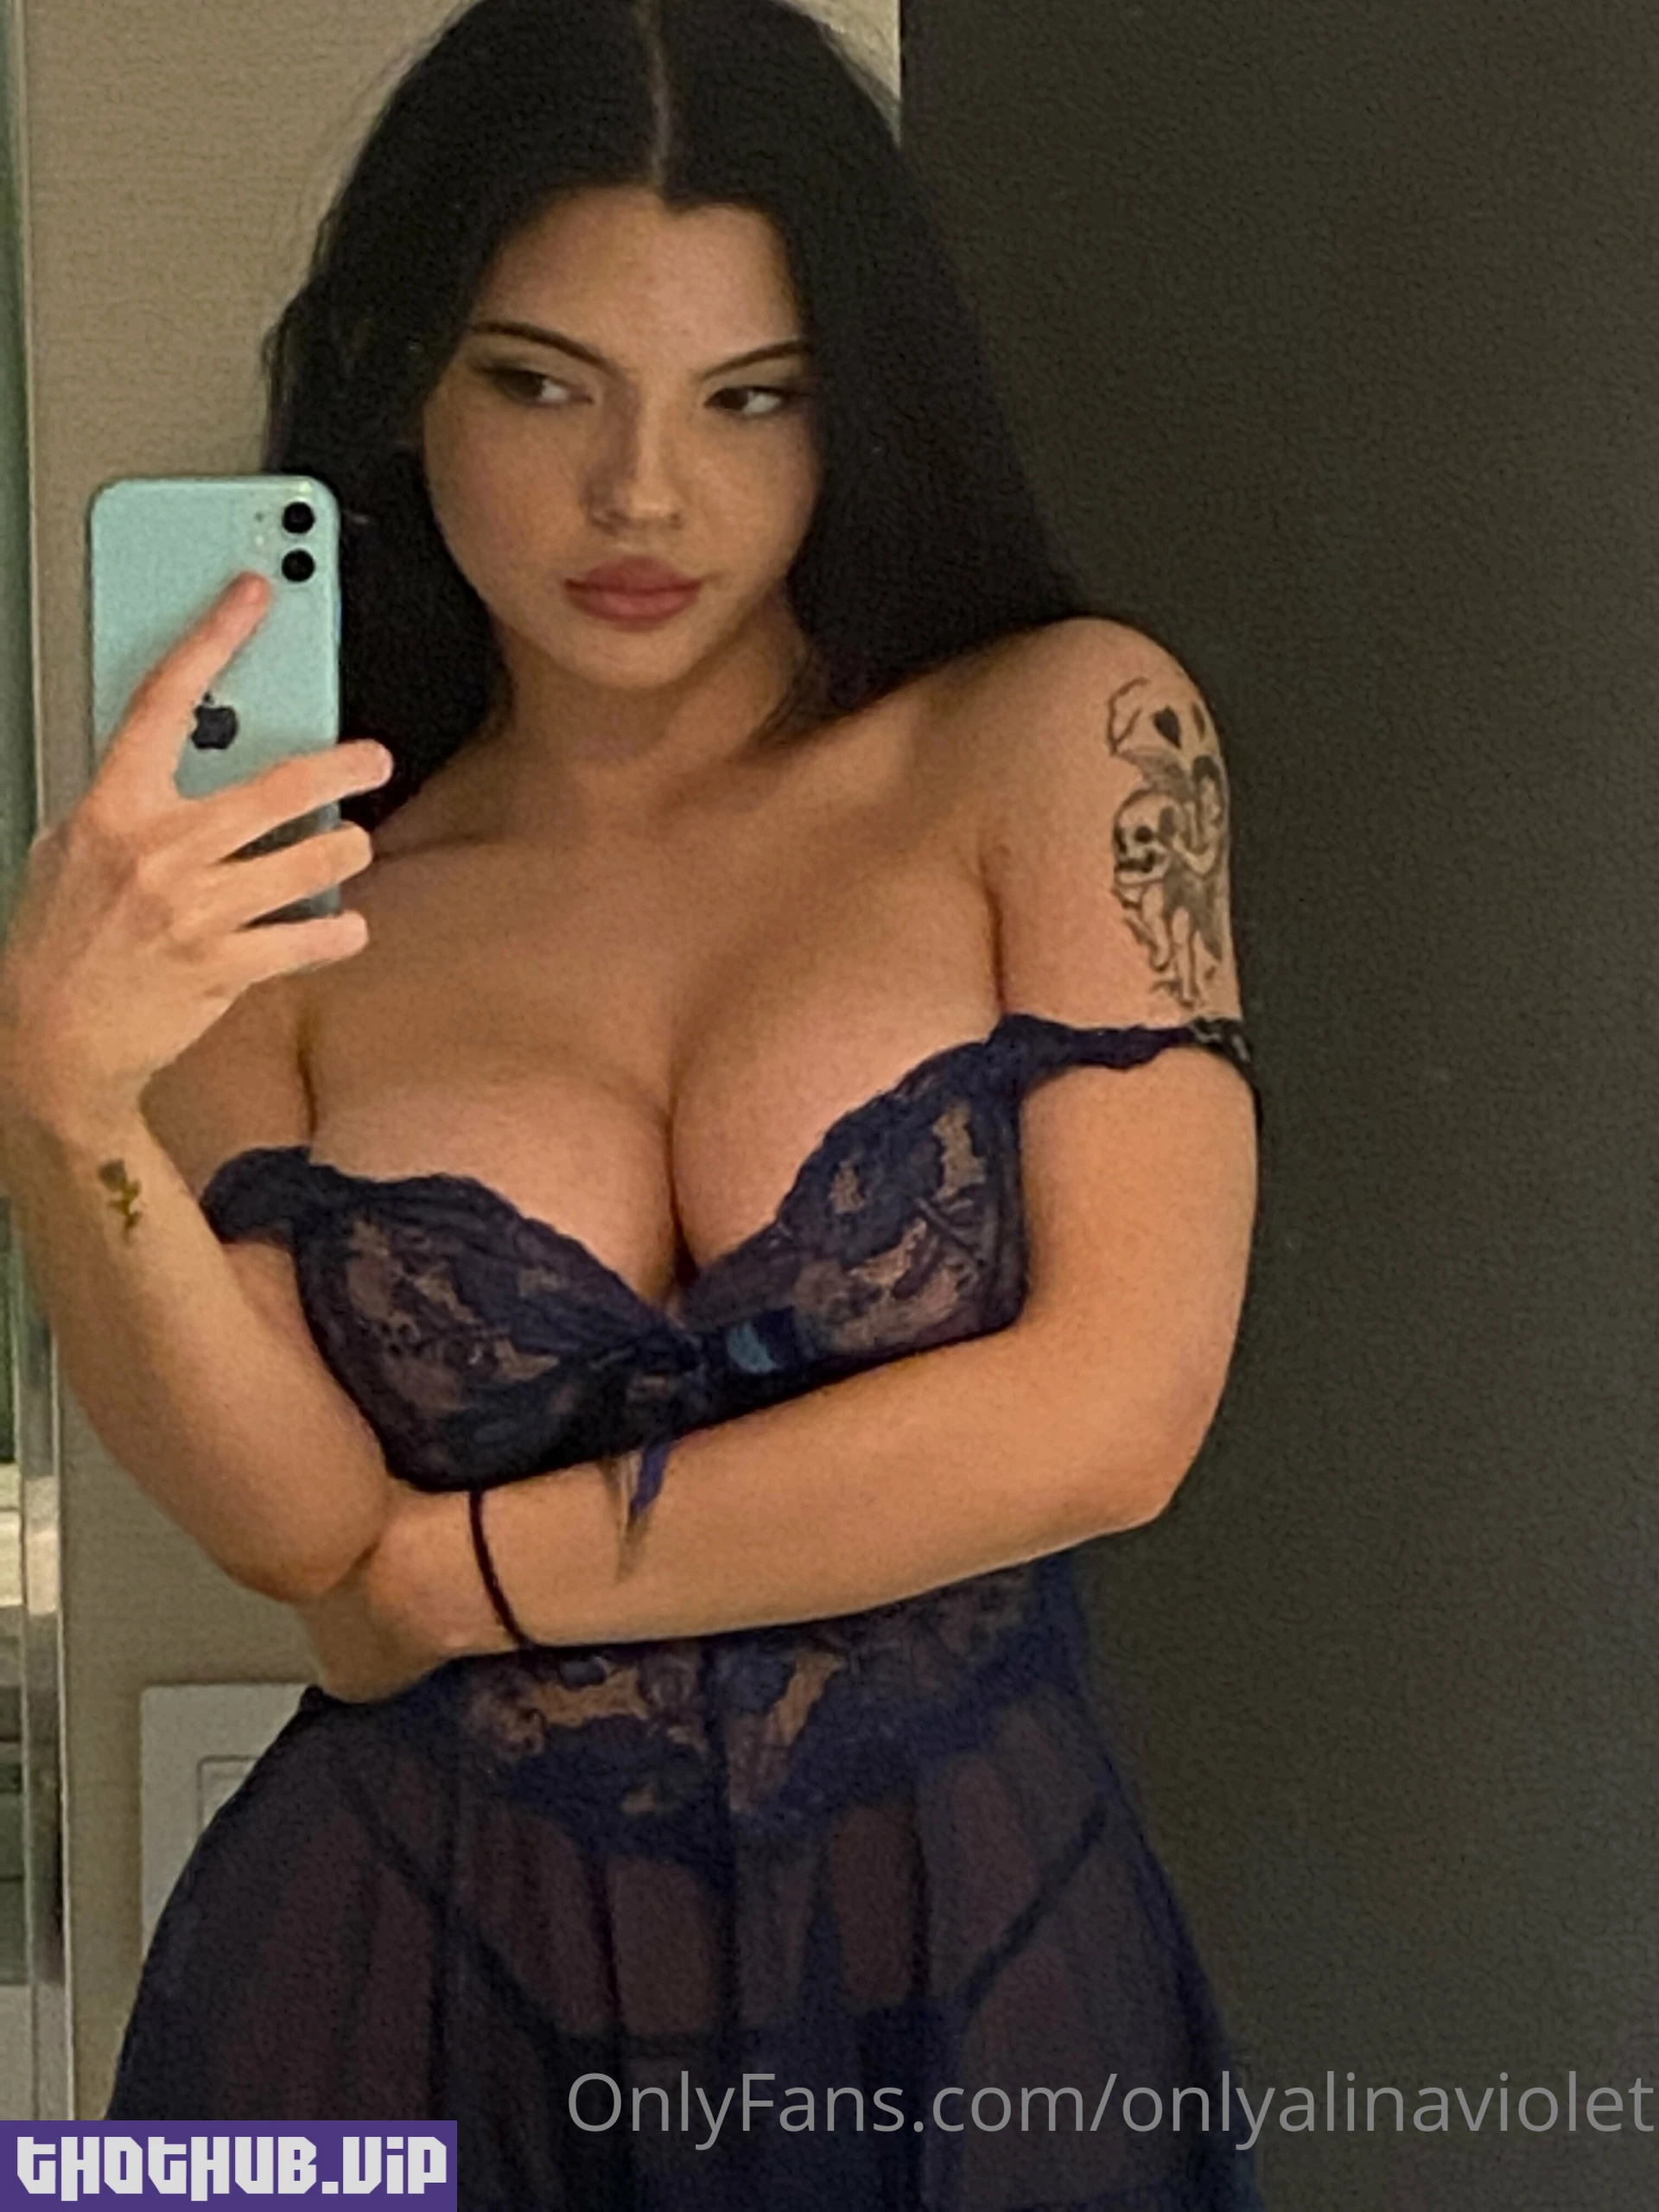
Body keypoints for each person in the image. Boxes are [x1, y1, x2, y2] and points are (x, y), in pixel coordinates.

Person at [0, 0, 1267, 2201]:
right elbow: (289, 1522)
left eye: (748, 395)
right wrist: (62, 1099)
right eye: (542, 382)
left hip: (969, 1967)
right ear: (409, 377)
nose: (644, 494)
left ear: (854, 403)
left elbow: (1115, 1413)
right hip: (380, 1973)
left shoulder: (1061, 736)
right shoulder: (290, 886)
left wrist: (457, 1575)